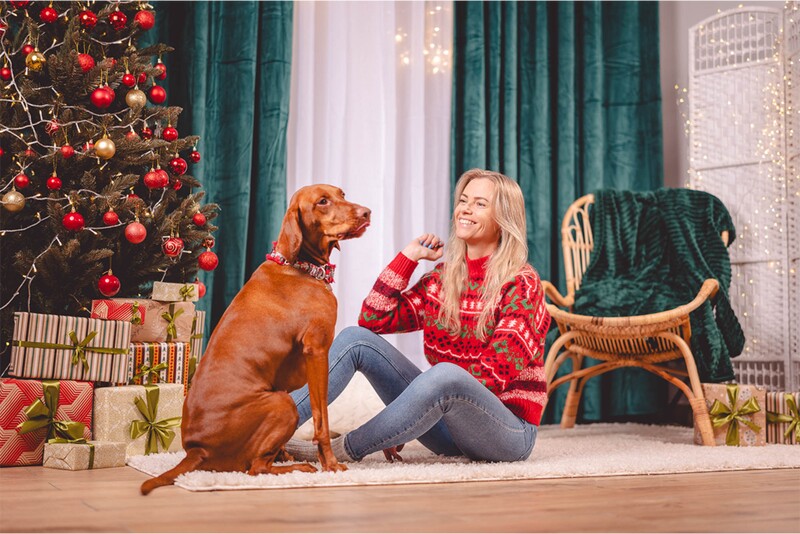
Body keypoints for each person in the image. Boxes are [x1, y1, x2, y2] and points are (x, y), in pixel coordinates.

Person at [286, 168, 551, 464]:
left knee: (447, 375)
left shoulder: (522, 284)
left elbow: (494, 374)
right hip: (447, 428)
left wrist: (403, 419)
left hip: (507, 433)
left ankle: (340, 449)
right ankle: (271, 427)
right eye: (463, 200)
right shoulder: (443, 279)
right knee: (355, 339)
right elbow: (373, 319)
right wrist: (409, 257)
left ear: (503, 218)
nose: (465, 209)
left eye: (480, 203)